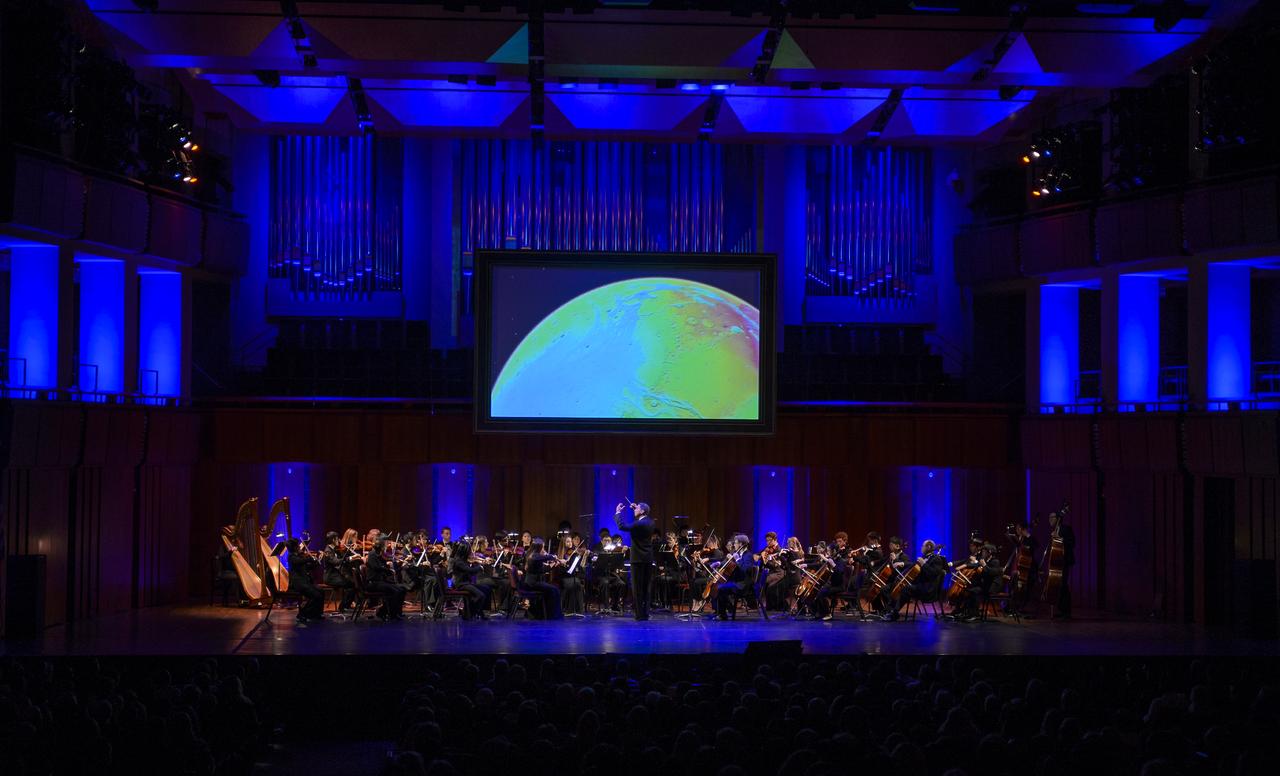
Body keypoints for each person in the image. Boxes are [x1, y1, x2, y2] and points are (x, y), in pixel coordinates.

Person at [883, 540, 948, 621]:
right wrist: (902, 563)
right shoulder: (924, 557)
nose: (921, 548)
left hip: (928, 590)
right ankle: (892, 611)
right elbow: (913, 564)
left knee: (905, 589)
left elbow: (933, 574)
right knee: (902, 587)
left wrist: (923, 564)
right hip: (921, 586)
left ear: (928, 547)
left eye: (923, 546)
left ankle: (894, 613)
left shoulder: (936, 559)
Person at [614, 500, 657, 621]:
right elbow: (640, 516)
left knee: (637, 588)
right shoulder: (650, 522)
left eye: (637, 508)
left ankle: (639, 615)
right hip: (647, 558)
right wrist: (636, 509)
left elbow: (622, 526)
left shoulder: (639, 524)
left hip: (637, 559)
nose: (634, 509)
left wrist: (617, 512)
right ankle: (645, 613)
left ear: (642, 511)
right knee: (646, 587)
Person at [712, 535, 756, 620]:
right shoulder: (736, 553)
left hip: (743, 584)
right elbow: (726, 562)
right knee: (717, 586)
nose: (733, 545)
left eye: (735, 543)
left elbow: (745, 570)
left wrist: (737, 559)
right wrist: (718, 563)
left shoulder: (749, 555)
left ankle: (723, 615)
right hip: (736, 581)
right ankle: (725, 610)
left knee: (721, 588)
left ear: (741, 544)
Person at [519, 539, 564, 620]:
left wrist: (553, 565)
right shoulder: (533, 556)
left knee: (555, 589)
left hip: (534, 582)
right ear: (538, 548)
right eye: (542, 547)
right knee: (554, 589)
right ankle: (553, 616)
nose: (543, 549)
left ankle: (549, 614)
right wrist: (553, 557)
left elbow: (542, 570)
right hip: (532, 583)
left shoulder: (533, 555)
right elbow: (543, 558)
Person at [365, 538, 407, 621]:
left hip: (380, 581)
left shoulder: (378, 554)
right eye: (385, 545)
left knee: (402, 589)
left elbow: (384, 567)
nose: (386, 547)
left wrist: (395, 566)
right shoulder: (372, 555)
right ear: (380, 547)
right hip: (373, 583)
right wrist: (388, 568)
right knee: (395, 591)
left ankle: (397, 612)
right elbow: (377, 568)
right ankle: (390, 613)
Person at [286, 538, 325, 623]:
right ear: (295, 547)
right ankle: (302, 614)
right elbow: (301, 561)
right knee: (316, 596)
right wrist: (310, 558)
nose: (300, 547)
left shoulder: (298, 556)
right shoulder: (291, 557)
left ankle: (317, 613)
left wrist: (317, 561)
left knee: (321, 591)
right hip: (298, 584)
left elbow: (307, 567)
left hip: (305, 582)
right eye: (298, 546)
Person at [449, 541, 490, 619]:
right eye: (469, 550)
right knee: (480, 596)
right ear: (464, 551)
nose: (470, 552)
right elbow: (470, 571)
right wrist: (480, 567)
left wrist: (474, 564)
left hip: (466, 583)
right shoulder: (458, 561)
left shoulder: (462, 560)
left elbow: (469, 571)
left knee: (486, 588)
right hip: (461, 584)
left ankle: (479, 612)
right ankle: (469, 611)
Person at [1047, 510, 1076, 619]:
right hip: (1057, 561)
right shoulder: (1054, 530)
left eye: (1051, 517)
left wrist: (1059, 538)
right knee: (1058, 586)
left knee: (1063, 585)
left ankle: (1067, 612)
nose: (1049, 520)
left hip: (1065, 560)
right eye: (1049, 518)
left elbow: (1072, 542)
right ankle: (1062, 610)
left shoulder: (1065, 528)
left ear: (1057, 518)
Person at [321, 531, 356, 614]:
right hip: (330, 577)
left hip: (335, 575)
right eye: (337, 539)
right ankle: (343, 607)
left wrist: (350, 551)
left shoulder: (333, 549)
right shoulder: (328, 551)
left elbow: (342, 559)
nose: (339, 540)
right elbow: (336, 562)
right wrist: (351, 558)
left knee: (352, 583)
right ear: (333, 540)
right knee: (351, 584)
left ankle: (345, 606)